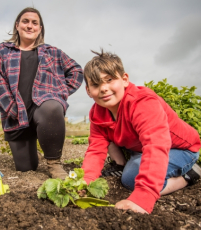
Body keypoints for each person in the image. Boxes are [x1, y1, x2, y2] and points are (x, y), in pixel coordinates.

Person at [81, 49, 201, 214]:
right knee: (106, 138)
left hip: (180, 149)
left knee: (131, 178)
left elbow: (156, 145)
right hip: (139, 148)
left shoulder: (142, 102)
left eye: (109, 80)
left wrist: (144, 196)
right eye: (95, 84)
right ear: (88, 91)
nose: (103, 88)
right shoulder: (97, 113)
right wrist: (85, 183)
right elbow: (95, 149)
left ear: (124, 80)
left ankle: (189, 176)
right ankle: (123, 164)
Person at [0, 7, 83, 179]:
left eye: (34, 23)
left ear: (40, 28)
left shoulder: (52, 52)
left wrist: (60, 92)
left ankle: (54, 163)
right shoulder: (2, 52)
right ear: (17, 25)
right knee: (27, 168)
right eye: (25, 21)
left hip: (43, 108)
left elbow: (77, 71)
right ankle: (35, 145)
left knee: (52, 106)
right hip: (16, 115)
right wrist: (11, 108)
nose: (30, 26)